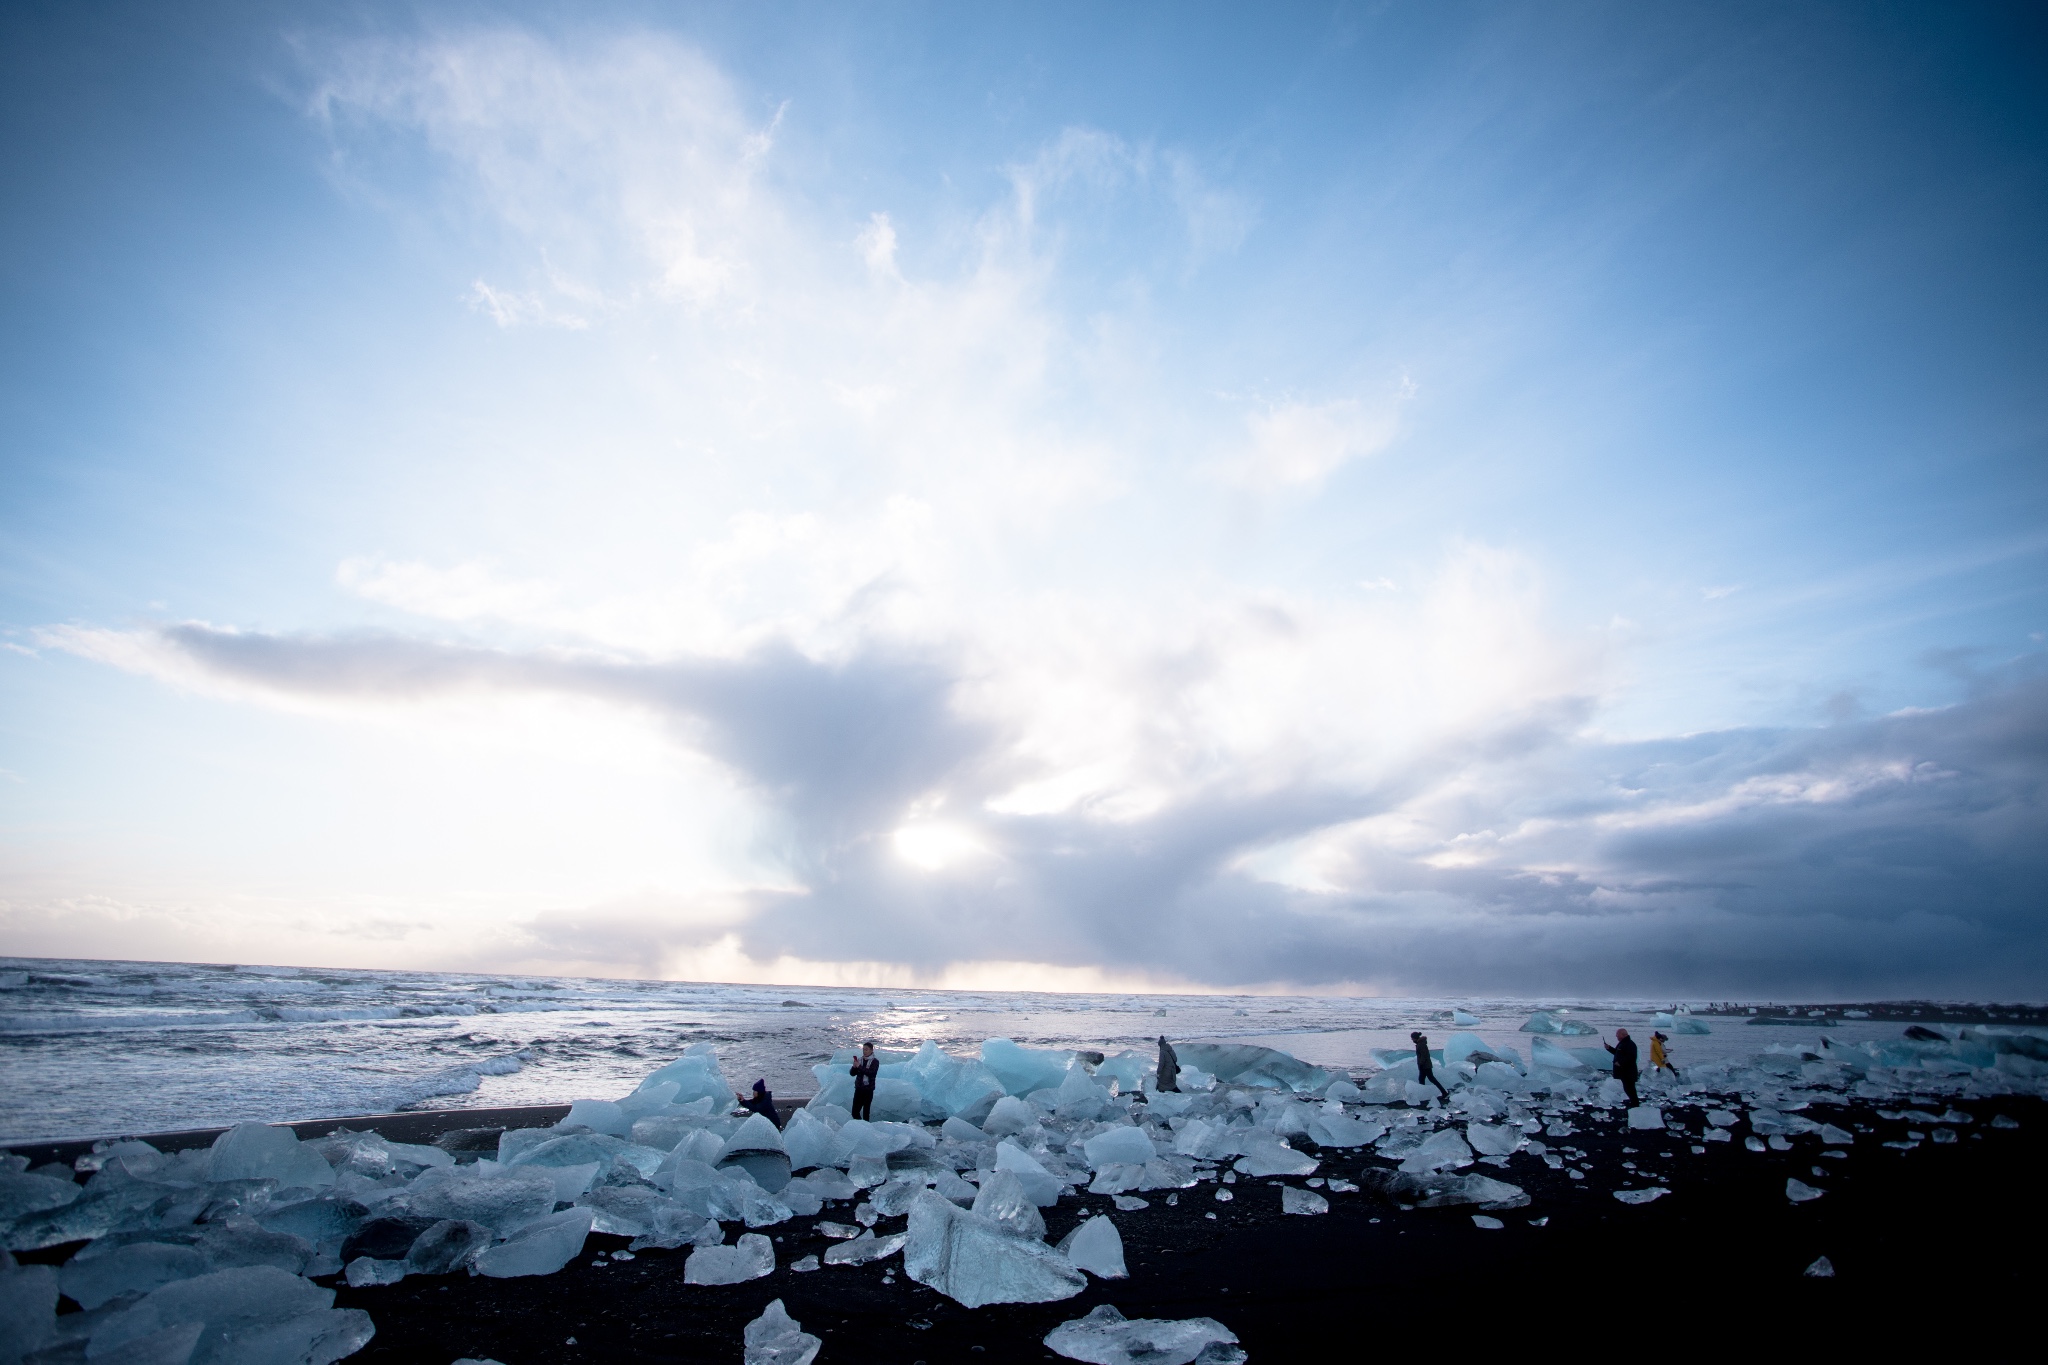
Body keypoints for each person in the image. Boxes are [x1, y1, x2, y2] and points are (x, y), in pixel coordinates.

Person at [1605, 1027, 1641, 1105]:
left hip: (1628, 1071)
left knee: (1630, 1088)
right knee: (1628, 1088)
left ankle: (1635, 1104)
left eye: (1617, 1035)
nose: (1616, 1036)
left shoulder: (1629, 1044)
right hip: (1624, 1072)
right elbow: (1618, 1053)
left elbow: (1631, 1057)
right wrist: (1609, 1048)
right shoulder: (1623, 1043)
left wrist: (1620, 1063)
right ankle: (1634, 1102)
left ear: (1623, 1035)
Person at [1411, 1031, 1449, 1102]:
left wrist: (1421, 1064)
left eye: (1412, 1038)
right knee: (1423, 1079)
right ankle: (1425, 1094)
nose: (1412, 1040)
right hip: (1425, 1065)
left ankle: (1443, 1092)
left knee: (1430, 1079)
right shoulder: (1420, 1044)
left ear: (1415, 1038)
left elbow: (1424, 1055)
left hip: (1425, 1066)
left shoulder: (1421, 1045)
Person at [849, 1041, 880, 1122]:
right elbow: (852, 1074)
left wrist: (859, 1066)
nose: (864, 1051)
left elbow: (871, 1073)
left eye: (866, 1049)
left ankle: (867, 1128)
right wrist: (854, 1067)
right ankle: (860, 1127)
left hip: (868, 1089)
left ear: (871, 1050)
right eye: (863, 1049)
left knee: (866, 1112)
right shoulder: (860, 1060)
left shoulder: (875, 1062)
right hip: (859, 1088)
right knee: (855, 1112)